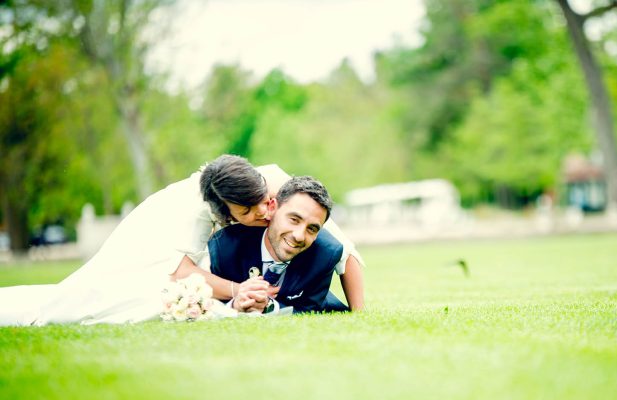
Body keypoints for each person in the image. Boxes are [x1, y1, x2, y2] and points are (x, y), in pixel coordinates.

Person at [0, 155, 363, 326]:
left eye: (265, 203)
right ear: (225, 212)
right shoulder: (193, 214)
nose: (265, 214)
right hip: (151, 240)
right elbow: (180, 270)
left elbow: (342, 247)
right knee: (104, 299)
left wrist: (360, 313)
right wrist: (238, 290)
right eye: (249, 211)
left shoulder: (271, 182)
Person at [209, 175, 352, 314]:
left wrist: (270, 307)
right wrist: (234, 305)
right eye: (294, 219)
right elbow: (208, 300)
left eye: (312, 228)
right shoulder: (224, 246)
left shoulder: (325, 253)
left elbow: (309, 309)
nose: (299, 236)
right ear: (272, 208)